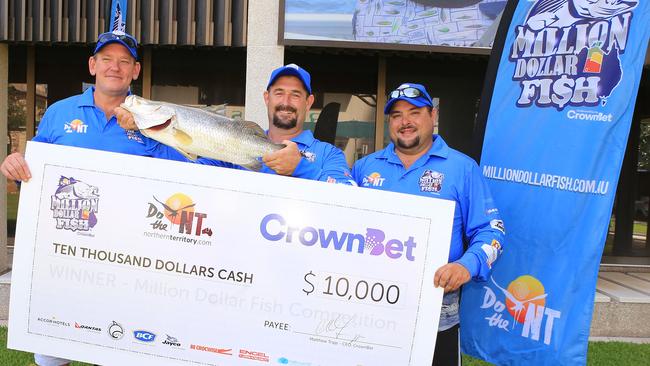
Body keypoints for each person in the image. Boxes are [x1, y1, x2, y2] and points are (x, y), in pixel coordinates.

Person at [0, 30, 181, 366]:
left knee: (114, 346)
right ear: (92, 65)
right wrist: (16, 165)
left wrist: (145, 129)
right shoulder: (58, 113)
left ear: (135, 71)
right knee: (53, 352)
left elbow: (182, 176)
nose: (115, 67)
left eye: (124, 61)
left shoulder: (153, 119)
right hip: (62, 255)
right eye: (107, 59)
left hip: (125, 257)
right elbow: (36, 174)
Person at [351, 83, 505, 366]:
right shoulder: (365, 168)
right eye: (396, 115)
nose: (405, 122)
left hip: (437, 317)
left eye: (414, 112)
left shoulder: (462, 168)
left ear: (432, 115)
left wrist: (465, 265)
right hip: (370, 313)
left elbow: (492, 231)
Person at [115, 63, 355, 184]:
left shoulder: (327, 154)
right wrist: (147, 132)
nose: (286, 102)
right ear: (266, 97)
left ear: (308, 101)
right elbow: (185, 167)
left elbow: (350, 198)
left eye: (295, 95)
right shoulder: (234, 144)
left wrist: (301, 167)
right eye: (279, 92)